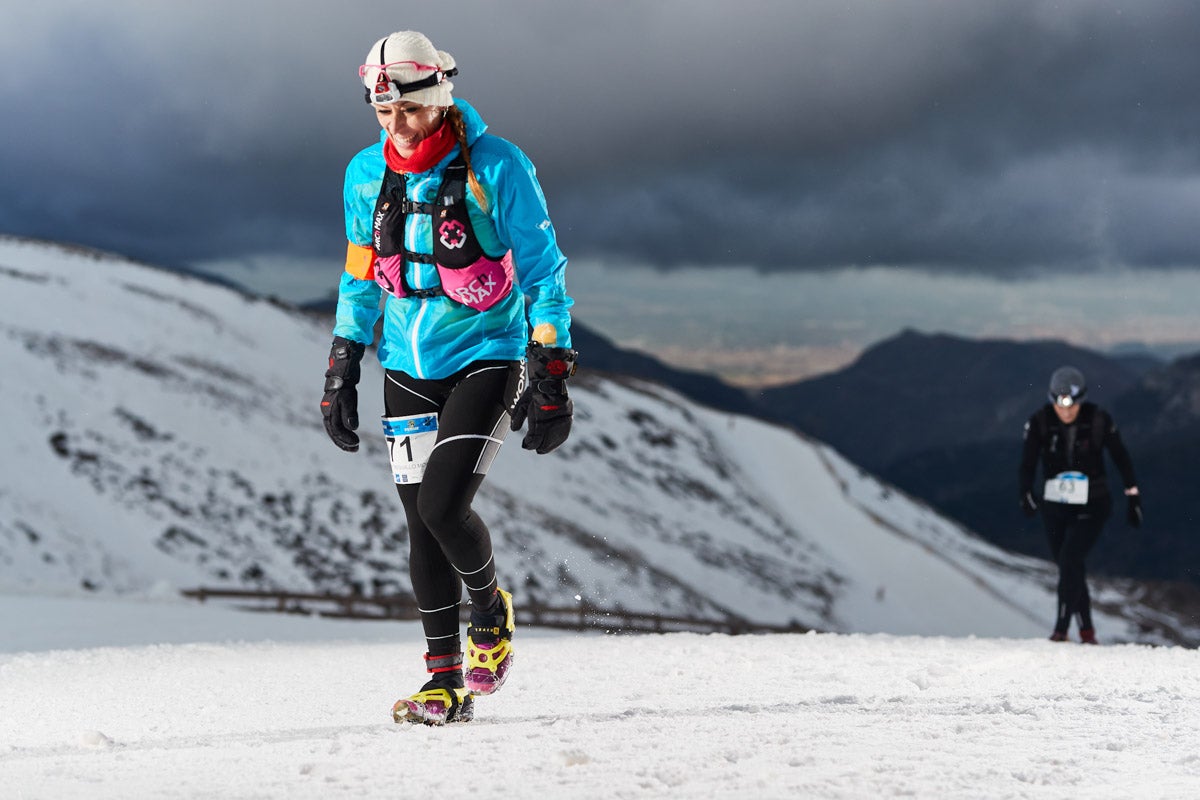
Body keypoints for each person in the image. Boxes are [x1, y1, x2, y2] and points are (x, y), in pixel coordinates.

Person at [320, 30, 577, 725]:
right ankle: (444, 683)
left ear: (437, 96)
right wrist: (343, 363)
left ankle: (489, 613)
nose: (396, 128)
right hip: (406, 362)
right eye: (381, 115)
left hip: (489, 353)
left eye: (407, 111)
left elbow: (545, 271)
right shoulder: (364, 175)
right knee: (418, 524)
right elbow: (359, 272)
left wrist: (550, 370)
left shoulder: (499, 167)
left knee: (442, 507)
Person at [1018, 366, 1142, 644]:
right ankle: (1087, 632)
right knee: (1069, 566)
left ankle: (1061, 628)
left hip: (1093, 504)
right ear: (1051, 399)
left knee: (1070, 558)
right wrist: (1024, 492)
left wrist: (1132, 495)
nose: (1066, 410)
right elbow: (1027, 462)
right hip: (1055, 506)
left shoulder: (1099, 420)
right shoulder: (1039, 422)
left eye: (1072, 404)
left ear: (1082, 399)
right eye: (1060, 404)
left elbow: (1121, 457)